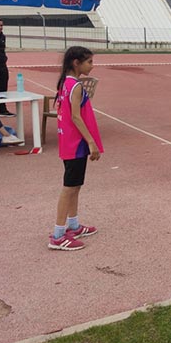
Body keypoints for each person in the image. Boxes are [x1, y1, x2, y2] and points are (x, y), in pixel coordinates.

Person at [49, 46, 103, 251]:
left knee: (75, 185)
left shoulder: (66, 82)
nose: (92, 65)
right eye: (89, 61)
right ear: (76, 63)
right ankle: (58, 234)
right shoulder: (75, 85)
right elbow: (75, 116)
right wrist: (91, 141)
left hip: (70, 142)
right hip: (76, 143)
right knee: (69, 187)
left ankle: (73, 224)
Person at [0, 18, 14, 116]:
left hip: (2, 66)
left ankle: (2, 110)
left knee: (2, 88)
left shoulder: (2, 37)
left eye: (1, 25)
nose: (0, 27)